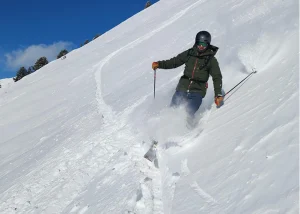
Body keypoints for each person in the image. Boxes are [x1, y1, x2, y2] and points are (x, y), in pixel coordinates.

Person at [152, 31, 224, 120]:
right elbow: (175, 61)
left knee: (188, 113)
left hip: (197, 91)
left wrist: (218, 95)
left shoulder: (211, 60)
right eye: (199, 44)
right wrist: (159, 64)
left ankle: (187, 130)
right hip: (182, 88)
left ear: (208, 45)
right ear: (196, 42)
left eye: (204, 44)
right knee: (172, 112)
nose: (201, 47)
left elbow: (217, 77)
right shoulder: (189, 53)